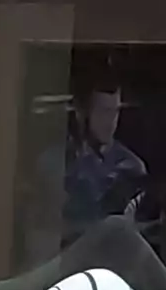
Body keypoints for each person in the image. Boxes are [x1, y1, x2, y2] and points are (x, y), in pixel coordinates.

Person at [62, 86, 148, 227]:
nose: (111, 121)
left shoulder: (131, 168)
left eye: (116, 111)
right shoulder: (59, 163)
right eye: (104, 111)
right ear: (82, 113)